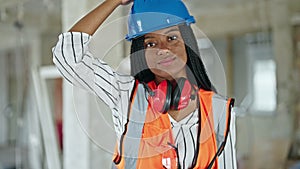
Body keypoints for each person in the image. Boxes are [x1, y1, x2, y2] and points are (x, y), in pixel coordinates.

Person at [52, 0, 237, 168]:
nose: (163, 49)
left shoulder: (220, 111)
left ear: (187, 43)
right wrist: (114, 1)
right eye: (151, 44)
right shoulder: (126, 97)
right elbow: (68, 56)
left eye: (172, 38)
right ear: (141, 52)